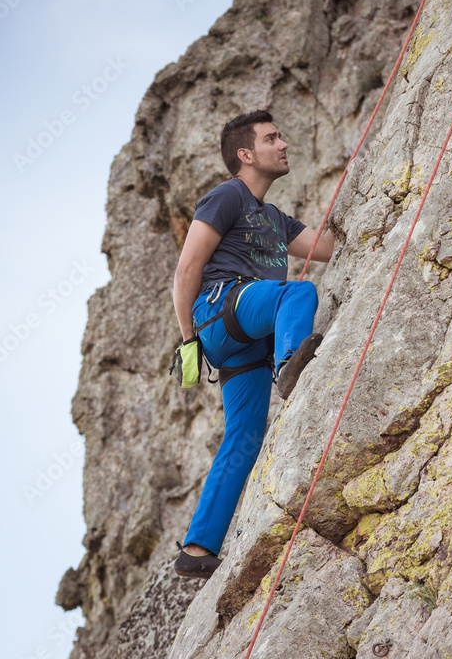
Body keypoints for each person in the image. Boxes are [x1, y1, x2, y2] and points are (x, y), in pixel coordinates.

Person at [172, 110, 334, 579]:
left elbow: (325, 247)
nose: (283, 145)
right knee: (297, 292)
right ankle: (291, 365)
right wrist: (189, 341)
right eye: (272, 138)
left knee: (244, 437)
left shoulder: (276, 220)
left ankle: (197, 549)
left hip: (244, 337)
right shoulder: (227, 197)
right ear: (246, 154)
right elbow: (186, 270)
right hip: (222, 310)